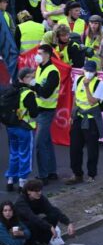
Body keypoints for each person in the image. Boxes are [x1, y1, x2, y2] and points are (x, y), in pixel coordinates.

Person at [65, 60, 103, 185]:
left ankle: (91, 174)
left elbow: (93, 101)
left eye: (91, 71)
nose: (88, 73)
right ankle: (77, 174)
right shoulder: (78, 80)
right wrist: (72, 115)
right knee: (75, 148)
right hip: (78, 118)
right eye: (86, 70)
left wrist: (87, 86)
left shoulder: (100, 84)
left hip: (91, 119)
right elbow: (75, 99)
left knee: (92, 149)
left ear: (95, 72)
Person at [14, 180, 74, 245]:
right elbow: (32, 217)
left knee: (53, 216)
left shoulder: (40, 198)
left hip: (33, 223)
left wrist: (68, 222)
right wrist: (49, 226)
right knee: (33, 224)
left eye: (40, 190)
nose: (39, 193)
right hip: (22, 226)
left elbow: (52, 209)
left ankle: (42, 243)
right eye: (36, 191)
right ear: (28, 191)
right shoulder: (21, 202)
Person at [4, 68, 38, 193]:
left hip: (10, 127)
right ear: (24, 78)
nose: (33, 79)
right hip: (23, 128)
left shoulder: (10, 89)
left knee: (14, 153)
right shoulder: (28, 93)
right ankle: (22, 181)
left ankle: (10, 179)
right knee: (25, 155)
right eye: (31, 77)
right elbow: (34, 113)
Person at [30, 45, 60, 185]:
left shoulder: (53, 72)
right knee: (46, 142)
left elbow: (46, 92)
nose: (38, 55)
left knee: (39, 144)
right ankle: (52, 172)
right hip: (40, 109)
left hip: (47, 110)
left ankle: (43, 176)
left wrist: (34, 85)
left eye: (40, 53)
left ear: (48, 55)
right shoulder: (40, 68)